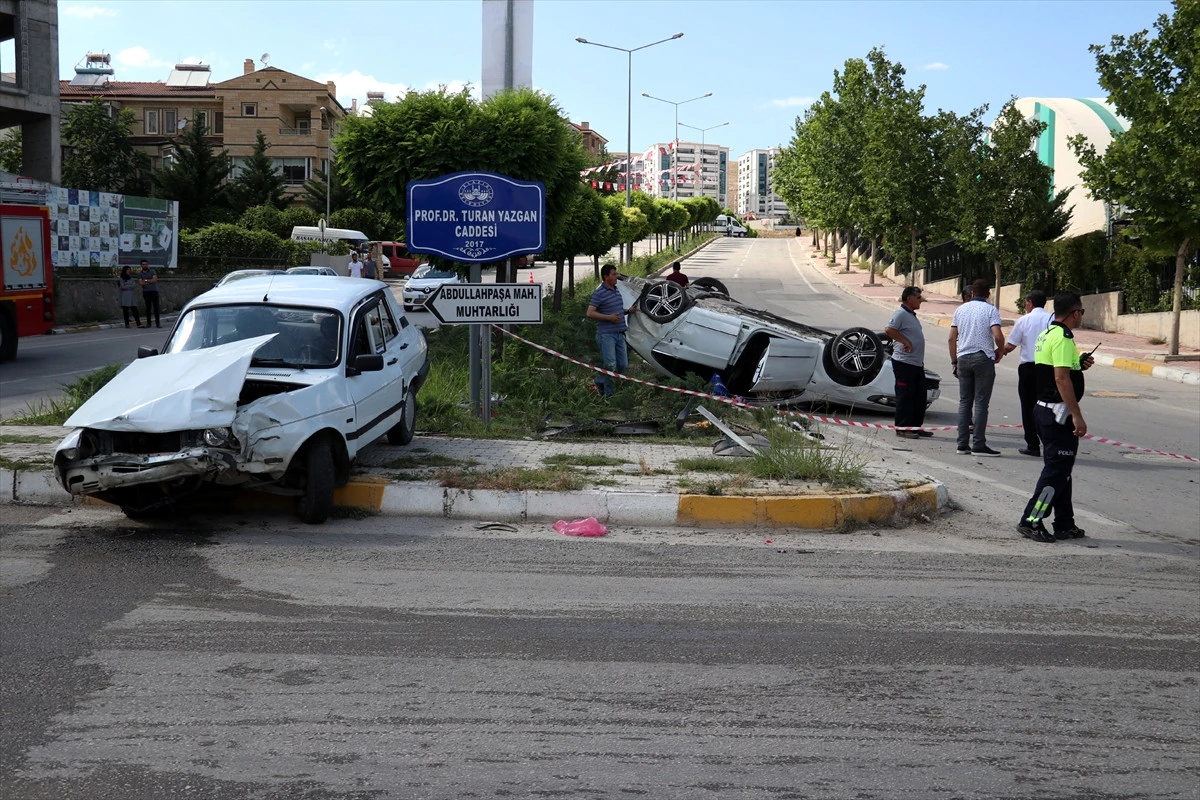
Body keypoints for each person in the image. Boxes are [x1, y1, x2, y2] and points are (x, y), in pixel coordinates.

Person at [1017, 291, 1095, 543]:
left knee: (1062, 470)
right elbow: (1060, 379)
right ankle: (1031, 519)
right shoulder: (1062, 338)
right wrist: (1077, 415)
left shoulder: (1048, 334)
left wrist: (1079, 364)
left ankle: (1064, 522)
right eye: (1081, 312)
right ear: (1075, 313)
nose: (1081, 316)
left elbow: (1057, 371)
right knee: (1055, 471)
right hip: (1057, 413)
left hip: (1045, 410)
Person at [948, 278, 1005, 456]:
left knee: (964, 402)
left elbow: (951, 338)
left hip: (963, 358)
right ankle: (979, 444)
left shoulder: (960, 310)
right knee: (981, 403)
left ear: (972, 293)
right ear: (988, 294)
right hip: (983, 358)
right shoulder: (990, 310)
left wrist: (954, 361)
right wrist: (1000, 351)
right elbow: (998, 335)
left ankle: (962, 444)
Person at [1003, 290, 1055, 456]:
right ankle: (1050, 442)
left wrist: (997, 353)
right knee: (1047, 405)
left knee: (1028, 407)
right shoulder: (1052, 319)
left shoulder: (1023, 321)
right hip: (1048, 368)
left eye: (1026, 302)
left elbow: (1010, 345)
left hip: (1028, 369)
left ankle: (1032, 444)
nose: (1025, 305)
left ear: (1030, 303)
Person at [885, 286, 932, 439]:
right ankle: (903, 428)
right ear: (909, 299)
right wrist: (905, 341)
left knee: (919, 396)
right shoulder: (900, 314)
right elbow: (889, 329)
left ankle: (915, 427)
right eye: (918, 298)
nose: (921, 301)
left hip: (916, 364)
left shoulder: (911, 315)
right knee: (905, 396)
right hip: (904, 363)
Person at [586, 264, 637, 396]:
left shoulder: (616, 290)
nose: (616, 277)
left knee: (623, 365)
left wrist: (627, 311)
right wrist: (609, 318)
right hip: (606, 335)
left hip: (620, 334)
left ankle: (599, 381)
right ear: (606, 276)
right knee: (611, 366)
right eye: (614, 274)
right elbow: (590, 313)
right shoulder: (599, 293)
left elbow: (616, 311)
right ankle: (609, 396)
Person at [137, 260, 160, 328]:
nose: (145, 265)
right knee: (148, 308)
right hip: (146, 292)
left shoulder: (152, 271)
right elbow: (141, 283)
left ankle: (158, 323)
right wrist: (150, 280)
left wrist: (146, 280)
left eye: (146, 264)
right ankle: (149, 323)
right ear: (141, 265)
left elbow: (155, 280)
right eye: (143, 264)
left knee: (156, 307)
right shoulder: (140, 274)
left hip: (154, 291)